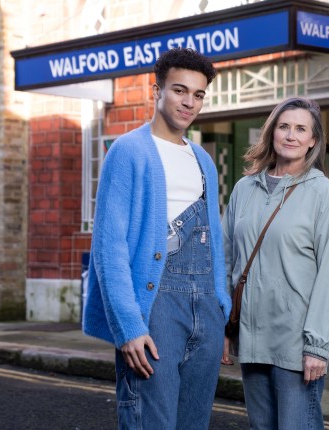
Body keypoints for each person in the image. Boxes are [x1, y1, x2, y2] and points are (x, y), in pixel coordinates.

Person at [82, 47, 230, 430]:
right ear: (157, 91)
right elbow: (109, 247)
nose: (189, 102)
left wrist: (220, 313)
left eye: (198, 95)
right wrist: (129, 326)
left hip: (205, 311)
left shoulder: (204, 161)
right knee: (152, 421)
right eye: (180, 90)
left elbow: (213, 240)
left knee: (193, 423)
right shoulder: (128, 151)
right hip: (156, 304)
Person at [221, 97, 329, 429]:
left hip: (296, 343)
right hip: (250, 338)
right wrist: (223, 326)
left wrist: (318, 346)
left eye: (300, 129)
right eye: (284, 126)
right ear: (271, 134)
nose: (291, 135)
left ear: (313, 141)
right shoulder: (243, 189)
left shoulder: (325, 194)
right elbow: (225, 260)